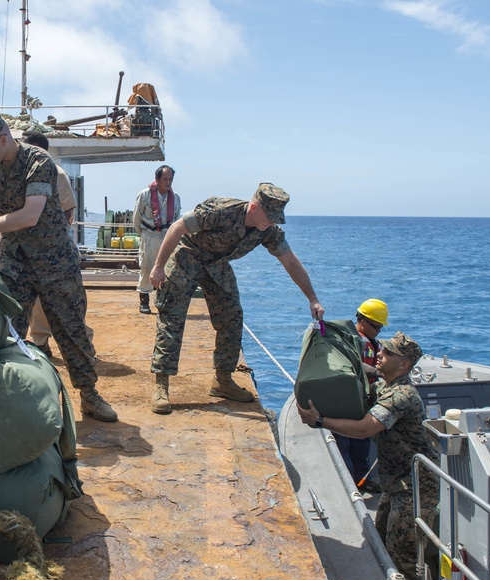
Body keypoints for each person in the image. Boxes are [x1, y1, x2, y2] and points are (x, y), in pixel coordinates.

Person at [0, 110, 117, 422]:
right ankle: (11, 396)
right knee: (7, 331)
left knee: (70, 331)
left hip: (55, 262)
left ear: (3, 140)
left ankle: (89, 395)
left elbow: (29, 215)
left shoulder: (38, 162)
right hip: (15, 262)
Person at [149, 183, 324, 414]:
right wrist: (159, 267)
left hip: (217, 265)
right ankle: (162, 385)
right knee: (171, 317)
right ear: (253, 207)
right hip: (188, 257)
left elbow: (290, 261)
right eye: (270, 216)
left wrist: (312, 298)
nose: (273, 222)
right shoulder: (219, 210)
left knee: (232, 316)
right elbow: (176, 228)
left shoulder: (267, 230)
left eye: (276, 218)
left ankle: (222, 380)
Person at [297, 331, 437, 580]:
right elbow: (363, 371)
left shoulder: (401, 396)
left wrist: (320, 421)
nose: (380, 354)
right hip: (396, 485)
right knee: (380, 543)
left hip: (415, 490)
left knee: (403, 560)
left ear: (404, 364)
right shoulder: (387, 385)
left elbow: (363, 430)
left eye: (388, 353)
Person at [17, 130, 93, 359]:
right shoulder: (20, 174)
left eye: (25, 146)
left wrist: (51, 236)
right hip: (28, 249)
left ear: (38, 149)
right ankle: (40, 342)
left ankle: (83, 343)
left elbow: (69, 211)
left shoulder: (57, 174)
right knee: (37, 301)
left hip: (54, 251)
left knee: (68, 299)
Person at [335, 298, 389, 494]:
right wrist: (379, 373)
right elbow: (354, 364)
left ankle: (362, 481)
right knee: (344, 444)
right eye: (376, 326)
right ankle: (348, 489)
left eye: (380, 327)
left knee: (362, 444)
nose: (378, 330)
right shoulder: (352, 341)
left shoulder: (372, 342)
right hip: (348, 401)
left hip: (363, 402)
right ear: (363, 321)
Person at [133, 165, 180, 314]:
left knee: (167, 269)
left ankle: (162, 300)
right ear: (157, 180)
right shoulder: (144, 195)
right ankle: (144, 301)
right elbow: (136, 217)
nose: (168, 182)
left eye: (170, 179)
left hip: (167, 236)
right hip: (149, 235)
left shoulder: (176, 198)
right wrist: (144, 234)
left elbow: (177, 219)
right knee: (146, 267)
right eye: (165, 179)